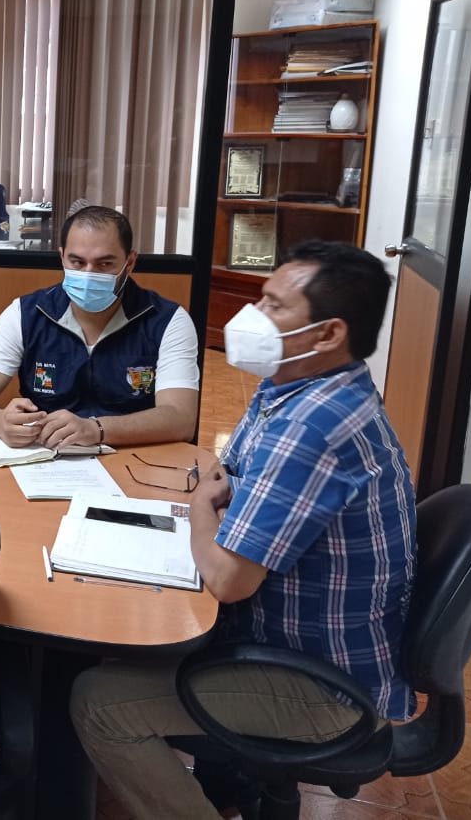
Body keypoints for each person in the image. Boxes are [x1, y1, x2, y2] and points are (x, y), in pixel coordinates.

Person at [71, 241, 416, 820]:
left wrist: (199, 512)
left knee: (98, 702)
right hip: (290, 644)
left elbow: (229, 579)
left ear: (328, 333)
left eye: (275, 305)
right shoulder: (296, 385)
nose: (253, 315)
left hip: (323, 687)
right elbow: (225, 474)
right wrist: (208, 500)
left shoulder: (313, 425)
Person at [0, 205, 199, 449]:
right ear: (62, 257)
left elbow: (181, 418)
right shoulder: (25, 314)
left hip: (134, 456)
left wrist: (96, 429)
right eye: (77, 262)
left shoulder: (168, 321)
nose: (89, 274)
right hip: (44, 458)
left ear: (130, 262)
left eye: (105, 264)